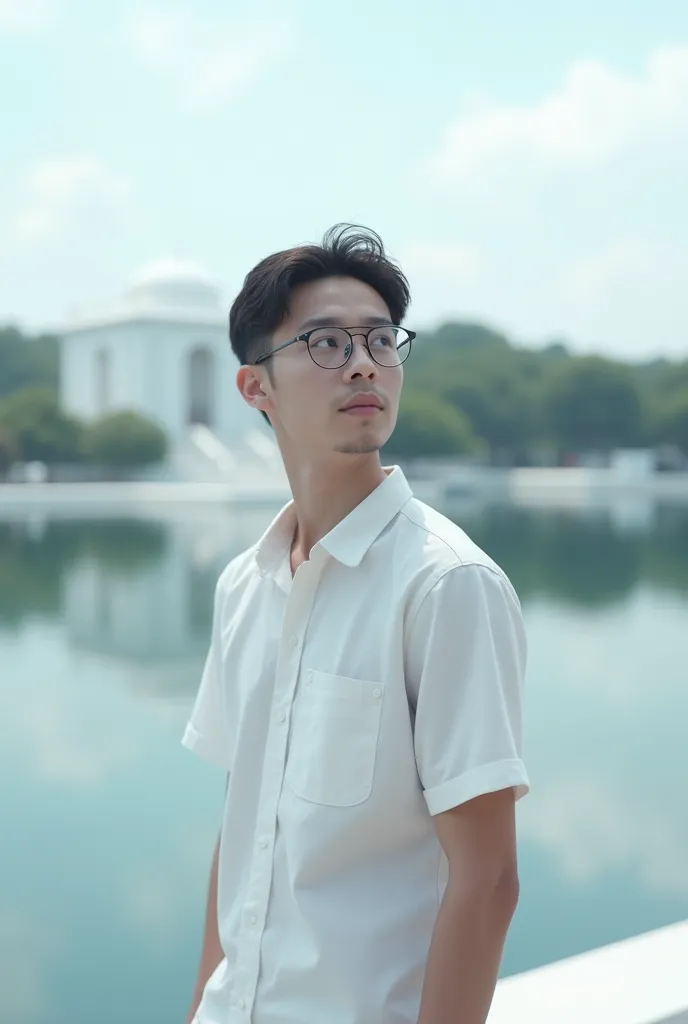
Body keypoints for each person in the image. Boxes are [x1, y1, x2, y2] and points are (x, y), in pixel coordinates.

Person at [182, 224, 530, 1024]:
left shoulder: (447, 586)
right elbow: (241, 829)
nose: (366, 362)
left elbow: (488, 881)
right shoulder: (245, 584)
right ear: (254, 387)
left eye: (381, 340)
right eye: (326, 344)